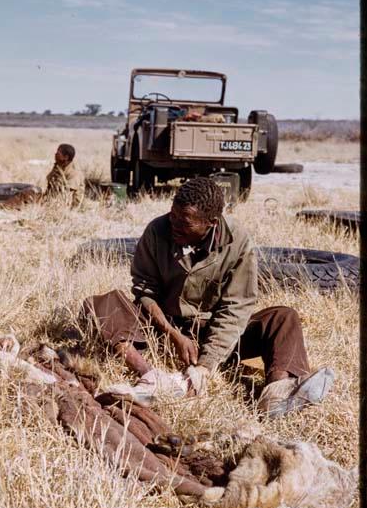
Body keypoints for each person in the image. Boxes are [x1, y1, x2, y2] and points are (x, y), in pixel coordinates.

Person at [83, 177, 334, 416]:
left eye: (185, 222)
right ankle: (152, 379)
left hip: (213, 333)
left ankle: (278, 394)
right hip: (163, 329)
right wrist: (173, 335)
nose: (175, 225)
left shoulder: (238, 243)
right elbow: (145, 292)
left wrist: (205, 365)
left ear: (211, 223)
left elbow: (236, 308)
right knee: (102, 304)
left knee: (284, 318)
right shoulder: (157, 231)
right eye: (173, 215)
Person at [0, 143, 84, 210]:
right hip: (51, 200)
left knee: (28, 200)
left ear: (66, 157)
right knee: (27, 193)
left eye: (58, 153)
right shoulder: (59, 167)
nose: (55, 154)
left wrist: (47, 203)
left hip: (62, 205)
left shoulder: (74, 173)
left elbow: (66, 195)